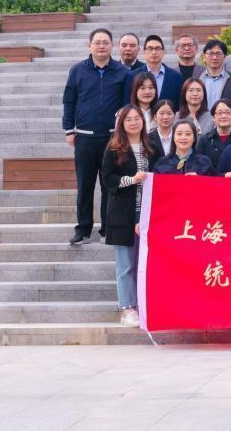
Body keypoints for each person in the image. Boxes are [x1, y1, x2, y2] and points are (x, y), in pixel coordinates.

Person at [62, 28, 130, 246]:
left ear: (112, 46)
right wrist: (69, 130)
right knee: (85, 185)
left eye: (106, 42)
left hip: (112, 138)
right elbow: (69, 101)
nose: (101, 46)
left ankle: (107, 229)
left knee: (109, 185)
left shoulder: (122, 72)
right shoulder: (77, 70)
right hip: (84, 137)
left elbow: (126, 105)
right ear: (89, 45)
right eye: (97, 42)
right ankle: (83, 229)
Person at [100, 104, 156, 326]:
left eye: (137, 118)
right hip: (122, 214)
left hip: (148, 212)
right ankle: (128, 308)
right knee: (126, 265)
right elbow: (107, 178)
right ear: (121, 124)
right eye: (128, 119)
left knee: (146, 262)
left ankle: (144, 304)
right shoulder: (114, 148)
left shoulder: (150, 147)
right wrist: (131, 180)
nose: (133, 122)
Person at [134, 34, 182, 105]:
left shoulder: (176, 77)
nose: (154, 52)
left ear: (163, 52)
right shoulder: (133, 76)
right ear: (144, 52)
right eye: (150, 48)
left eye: (157, 48)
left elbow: (179, 105)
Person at [197, 39, 231, 111]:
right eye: (211, 53)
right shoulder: (196, 79)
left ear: (225, 56)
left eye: (218, 54)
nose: (214, 57)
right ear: (204, 56)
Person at [195, 99, 231, 169]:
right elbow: (198, 166)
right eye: (219, 113)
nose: (224, 116)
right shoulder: (205, 140)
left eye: (228, 112)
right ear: (213, 117)